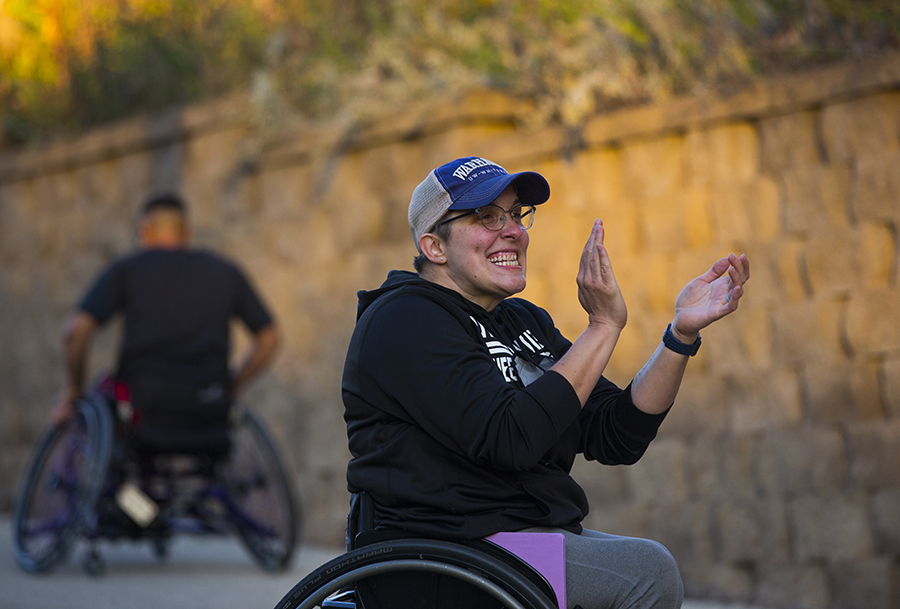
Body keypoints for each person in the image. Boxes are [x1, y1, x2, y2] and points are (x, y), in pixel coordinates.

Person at [342, 157, 750, 609]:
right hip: (441, 555)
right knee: (648, 572)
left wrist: (680, 335)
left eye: (517, 214)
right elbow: (511, 438)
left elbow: (617, 434)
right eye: (487, 217)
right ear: (434, 247)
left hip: (520, 539)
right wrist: (602, 327)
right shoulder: (405, 319)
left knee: (641, 564)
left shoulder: (521, 320)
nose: (513, 230)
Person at [52, 192, 279, 454]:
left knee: (100, 393)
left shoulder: (128, 269)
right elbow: (269, 337)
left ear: (144, 231)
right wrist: (232, 385)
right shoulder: (225, 272)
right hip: (208, 405)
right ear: (187, 231)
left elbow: (76, 331)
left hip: (142, 408)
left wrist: (75, 388)